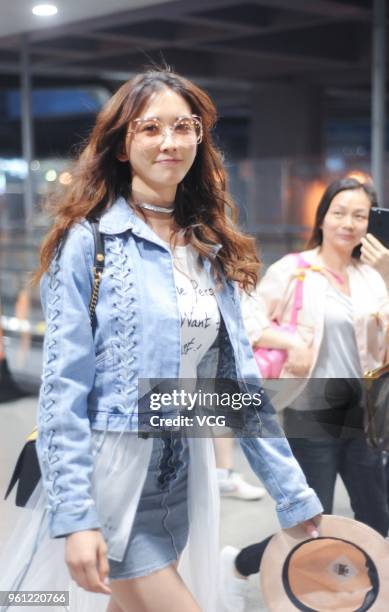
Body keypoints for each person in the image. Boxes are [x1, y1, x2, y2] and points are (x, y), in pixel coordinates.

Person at [0, 69, 322, 612]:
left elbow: (235, 388)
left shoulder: (208, 245)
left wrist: (292, 493)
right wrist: (76, 517)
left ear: (200, 137)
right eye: (150, 128)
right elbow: (62, 391)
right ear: (123, 145)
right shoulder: (88, 242)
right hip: (113, 478)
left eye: (183, 126)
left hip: (181, 478)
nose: (169, 141)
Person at [220, 177, 389, 612]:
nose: (349, 223)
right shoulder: (295, 268)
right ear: (323, 217)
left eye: (360, 215)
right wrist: (291, 343)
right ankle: (239, 563)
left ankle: (360, 594)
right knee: (312, 516)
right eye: (340, 212)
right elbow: (249, 318)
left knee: (376, 514)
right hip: (313, 404)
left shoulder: (374, 276)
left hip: (365, 408)